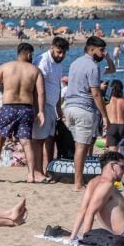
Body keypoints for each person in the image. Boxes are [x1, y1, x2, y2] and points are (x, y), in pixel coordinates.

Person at [0, 43, 44, 183]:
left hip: (9, 107)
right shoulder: (35, 70)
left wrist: (5, 83)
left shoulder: (6, 67)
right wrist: (40, 112)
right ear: (28, 54)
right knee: (26, 142)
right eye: (31, 55)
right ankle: (31, 175)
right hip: (26, 109)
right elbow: (41, 92)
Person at [63, 36, 113, 190]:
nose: (103, 53)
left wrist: (107, 58)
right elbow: (96, 94)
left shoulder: (74, 63)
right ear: (92, 49)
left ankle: (78, 180)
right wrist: (105, 116)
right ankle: (78, 183)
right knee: (82, 147)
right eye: (101, 50)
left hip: (69, 107)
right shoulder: (92, 66)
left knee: (80, 146)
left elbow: (111, 70)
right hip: (83, 108)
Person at [69, 150, 124, 244]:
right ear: (112, 166)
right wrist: (87, 238)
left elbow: (83, 210)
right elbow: (90, 212)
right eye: (122, 167)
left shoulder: (93, 182)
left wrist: (73, 236)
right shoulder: (107, 185)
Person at [31, 36, 69, 181]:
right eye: (59, 52)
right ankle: (38, 171)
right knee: (38, 140)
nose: (61, 55)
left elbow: (57, 87)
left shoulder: (59, 64)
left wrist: (59, 108)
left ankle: (48, 170)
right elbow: (36, 87)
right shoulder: (42, 61)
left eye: (64, 53)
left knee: (50, 140)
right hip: (42, 106)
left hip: (52, 106)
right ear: (51, 47)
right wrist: (38, 110)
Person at [105, 80, 124, 150]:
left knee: (112, 153)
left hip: (111, 126)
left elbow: (101, 112)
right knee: (122, 151)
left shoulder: (106, 100)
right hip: (123, 126)